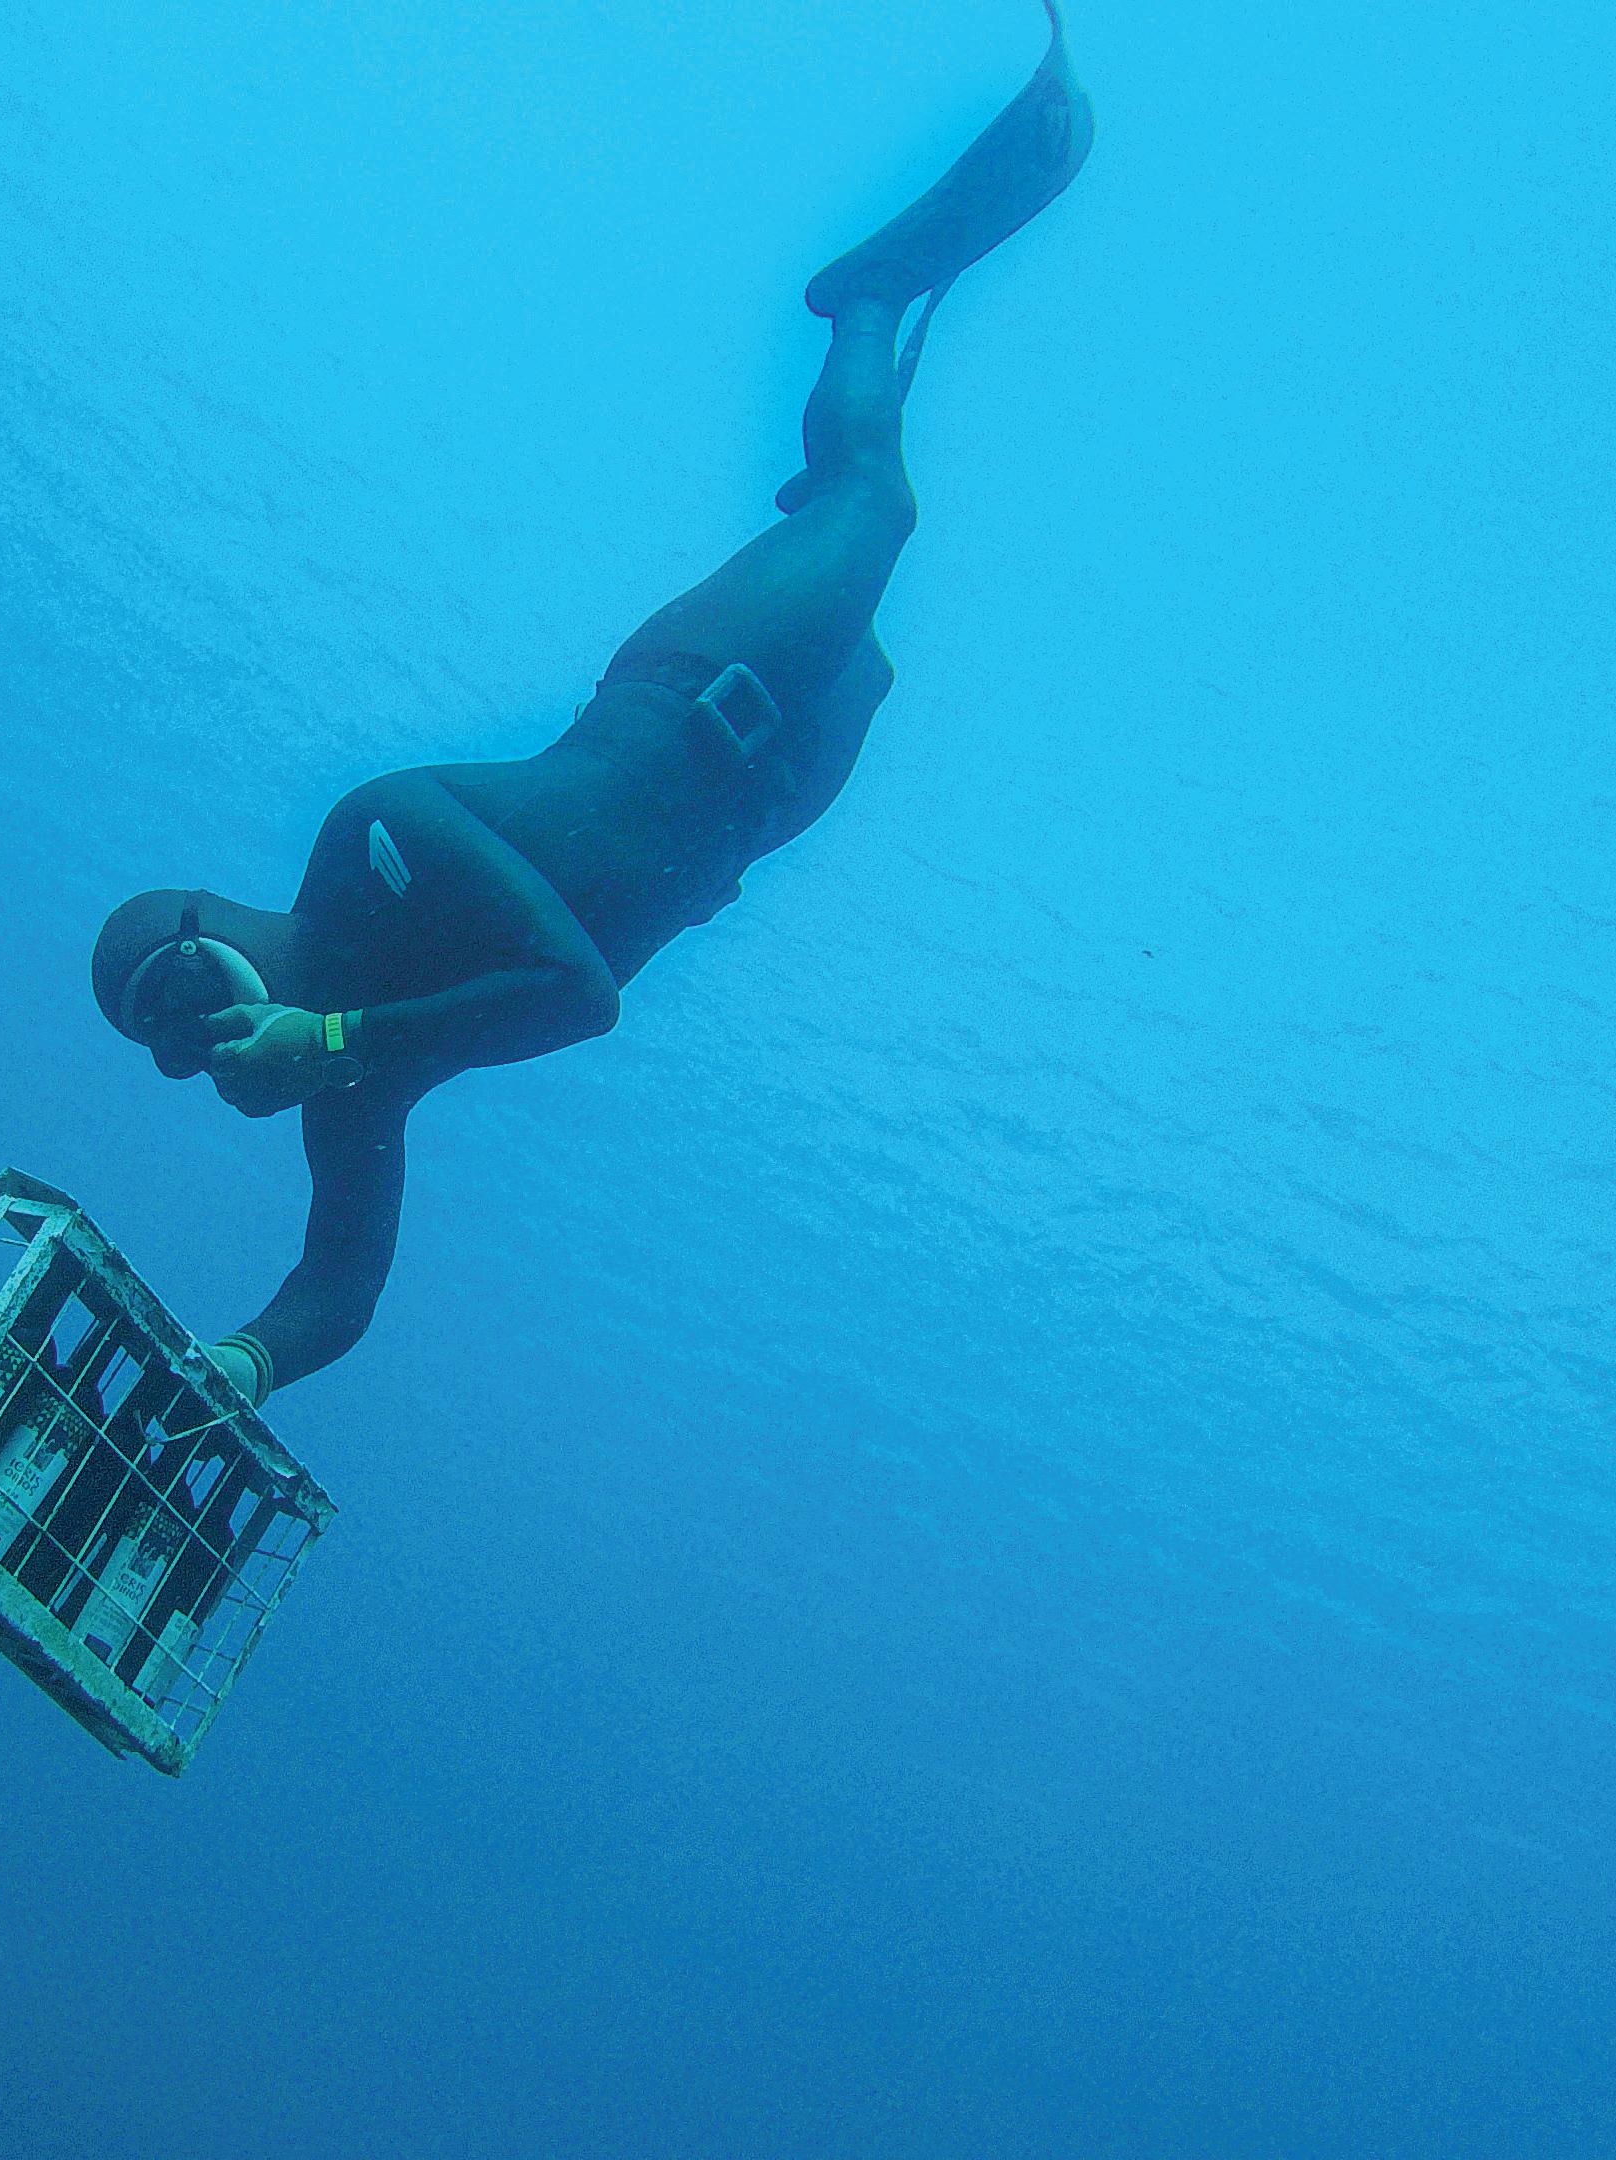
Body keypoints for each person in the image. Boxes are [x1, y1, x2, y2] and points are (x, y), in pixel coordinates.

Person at [90, 6, 1094, 1407]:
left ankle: (864, 294)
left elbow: (574, 992)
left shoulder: (371, 839)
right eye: (167, 1051)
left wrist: (335, 1042)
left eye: (176, 994)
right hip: (773, 799)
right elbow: (340, 1282)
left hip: (706, 683)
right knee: (863, 626)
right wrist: (241, 1364)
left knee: (875, 504)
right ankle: (824, 466)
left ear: (207, 924)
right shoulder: (357, 1079)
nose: (193, 1040)